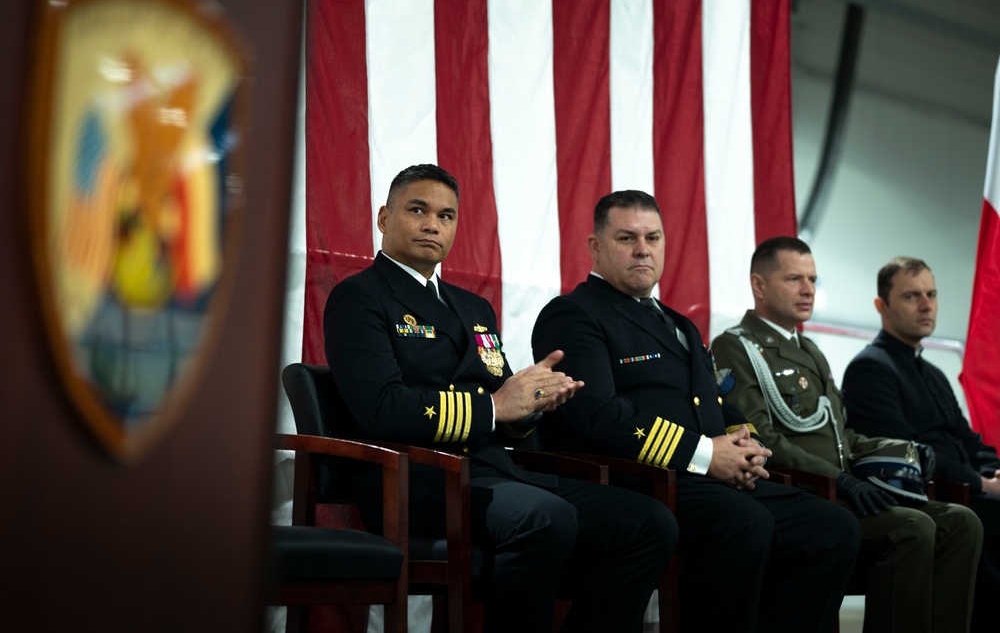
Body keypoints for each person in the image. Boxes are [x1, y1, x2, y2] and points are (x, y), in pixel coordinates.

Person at [324, 165, 676, 633]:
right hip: (416, 478)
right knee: (545, 517)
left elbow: (505, 406)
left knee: (650, 522)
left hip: (490, 471)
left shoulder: (472, 307)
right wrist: (495, 408)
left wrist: (534, 402)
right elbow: (381, 408)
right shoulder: (359, 296)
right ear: (384, 218)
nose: (433, 224)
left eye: (446, 216)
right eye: (418, 210)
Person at [531, 191, 859, 633]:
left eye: (653, 237)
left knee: (831, 527)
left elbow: (720, 405)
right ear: (595, 246)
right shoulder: (573, 314)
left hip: (706, 476)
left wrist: (748, 447)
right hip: (642, 478)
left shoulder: (678, 323)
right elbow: (597, 417)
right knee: (744, 521)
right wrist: (707, 454)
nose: (643, 248)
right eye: (627, 237)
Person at [710, 237, 983, 633]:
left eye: (813, 280)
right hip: (803, 493)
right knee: (912, 528)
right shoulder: (736, 347)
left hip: (844, 488)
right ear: (759, 285)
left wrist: (906, 451)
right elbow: (763, 439)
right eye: (794, 279)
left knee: (962, 521)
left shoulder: (809, 350)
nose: (807, 290)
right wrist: (839, 479)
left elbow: (842, 434)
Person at [841, 256, 1000, 633]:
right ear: (882, 306)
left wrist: (994, 469)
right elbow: (905, 454)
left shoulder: (934, 373)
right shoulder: (870, 368)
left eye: (931, 294)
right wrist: (982, 484)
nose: (927, 305)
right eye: (912, 296)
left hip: (966, 489)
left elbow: (967, 440)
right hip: (932, 493)